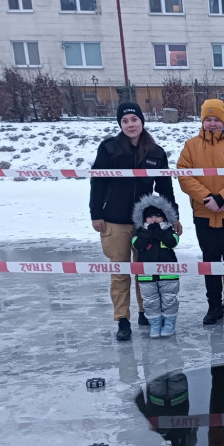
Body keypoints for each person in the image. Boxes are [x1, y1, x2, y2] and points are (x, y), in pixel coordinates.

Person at [89, 102, 179, 341]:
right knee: (120, 271)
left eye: (134, 120)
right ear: (120, 124)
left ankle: (145, 312)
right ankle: (122, 319)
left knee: (145, 270)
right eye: (125, 121)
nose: (130, 124)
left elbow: (165, 187)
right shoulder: (109, 149)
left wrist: (173, 217)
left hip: (145, 224)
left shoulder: (156, 152)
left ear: (142, 121)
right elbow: (97, 182)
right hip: (114, 221)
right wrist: (96, 213)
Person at [176, 99, 224, 324]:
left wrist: (222, 198)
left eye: (216, 120)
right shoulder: (191, 146)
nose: (212, 124)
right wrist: (206, 198)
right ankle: (214, 308)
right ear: (202, 121)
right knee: (210, 265)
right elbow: (184, 175)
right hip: (204, 215)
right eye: (208, 120)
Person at [130, 194, 181, 338]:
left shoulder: (168, 230)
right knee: (150, 301)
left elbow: (173, 242)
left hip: (168, 274)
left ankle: (169, 322)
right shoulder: (140, 232)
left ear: (164, 217)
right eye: (150, 217)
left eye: (158, 216)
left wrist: (159, 232)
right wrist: (148, 233)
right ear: (144, 219)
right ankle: (155, 323)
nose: (154, 220)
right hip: (147, 276)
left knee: (169, 299)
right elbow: (138, 245)